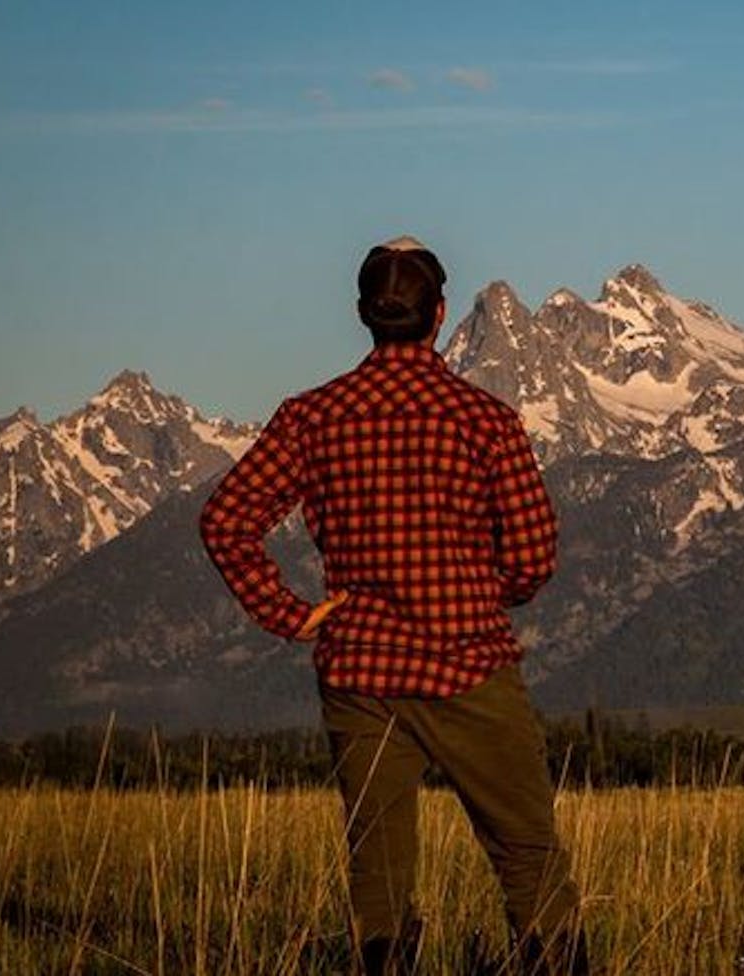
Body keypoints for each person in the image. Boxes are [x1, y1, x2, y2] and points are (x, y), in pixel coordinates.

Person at [200, 236, 587, 976]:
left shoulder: (312, 417)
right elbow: (535, 557)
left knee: (377, 875)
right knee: (529, 860)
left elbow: (225, 520)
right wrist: (481, 592)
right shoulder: (485, 421)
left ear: (364, 316)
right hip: (470, 667)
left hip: (360, 678)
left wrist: (289, 613)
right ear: (440, 315)